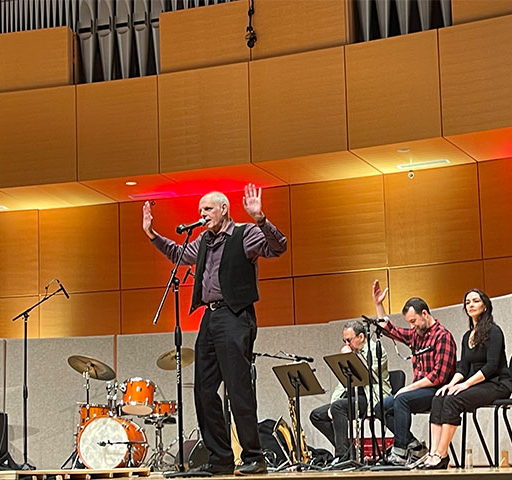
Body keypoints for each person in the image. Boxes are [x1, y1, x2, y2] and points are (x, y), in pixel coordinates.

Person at [142, 184, 286, 475]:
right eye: (199, 211)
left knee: (238, 388)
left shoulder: (244, 234)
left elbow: (278, 246)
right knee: (204, 390)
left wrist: (260, 218)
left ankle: (253, 457)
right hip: (209, 318)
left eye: (207, 209)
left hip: (235, 316)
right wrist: (152, 234)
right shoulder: (204, 241)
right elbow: (177, 254)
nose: (202, 214)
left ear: (223, 209)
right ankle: (220, 458)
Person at [420, 289, 512, 469]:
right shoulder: (466, 336)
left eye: (475, 301)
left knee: (454, 399)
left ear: (485, 305)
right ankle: (433, 453)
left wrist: (465, 384)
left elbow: (491, 366)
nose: (471, 305)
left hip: (496, 382)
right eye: (467, 302)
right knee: (439, 397)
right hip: (477, 383)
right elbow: (463, 367)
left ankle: (442, 453)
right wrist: (451, 384)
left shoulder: (494, 331)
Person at [371, 280, 457, 466]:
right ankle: (415, 447)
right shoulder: (416, 334)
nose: (411, 326)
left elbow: (438, 377)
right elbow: (390, 330)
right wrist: (379, 305)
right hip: (420, 390)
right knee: (381, 407)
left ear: (424, 314)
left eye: (413, 321)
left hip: (438, 392)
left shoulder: (443, 336)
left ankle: (400, 451)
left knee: (402, 399)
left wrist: (409, 388)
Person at [310, 321, 392, 461]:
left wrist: (351, 358)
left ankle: (342, 456)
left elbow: (368, 374)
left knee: (338, 407)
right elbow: (342, 384)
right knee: (316, 415)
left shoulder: (376, 350)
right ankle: (350, 452)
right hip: (352, 398)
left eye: (349, 340)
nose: (346, 344)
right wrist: (332, 404)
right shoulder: (353, 351)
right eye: (344, 341)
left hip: (371, 397)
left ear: (361, 337)